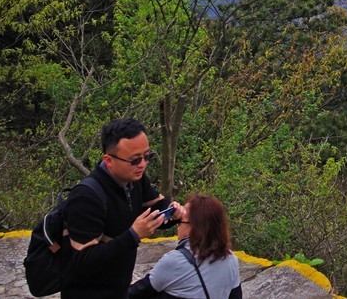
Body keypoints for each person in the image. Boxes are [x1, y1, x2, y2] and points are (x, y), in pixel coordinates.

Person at [62, 118, 181, 299]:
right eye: (134, 160)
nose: (142, 164)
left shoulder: (136, 181)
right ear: (109, 160)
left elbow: (156, 207)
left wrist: (173, 212)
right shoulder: (86, 197)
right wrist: (133, 235)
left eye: (147, 156)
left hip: (119, 289)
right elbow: (83, 262)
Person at [128, 195, 242, 299]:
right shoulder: (231, 260)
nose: (177, 226)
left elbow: (136, 293)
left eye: (179, 221)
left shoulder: (175, 261)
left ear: (194, 227)